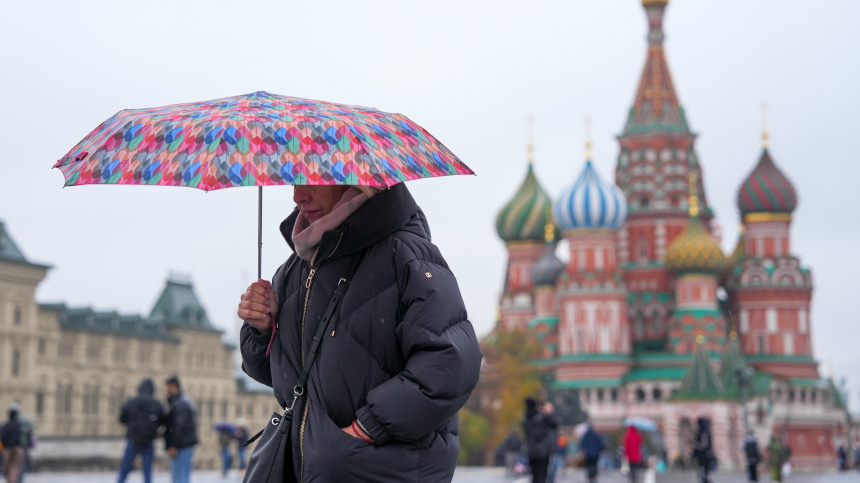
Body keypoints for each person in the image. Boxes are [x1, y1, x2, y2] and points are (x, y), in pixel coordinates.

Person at [238, 183, 482, 482]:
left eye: (314, 180)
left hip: (384, 471)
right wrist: (262, 329)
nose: (298, 195)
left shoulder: (405, 255)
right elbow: (282, 376)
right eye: (295, 181)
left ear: (355, 181)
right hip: (318, 471)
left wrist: (371, 425)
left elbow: (451, 365)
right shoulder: (295, 269)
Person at [117, 378, 165, 483]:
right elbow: (162, 421)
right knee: (147, 471)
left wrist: (132, 424)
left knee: (124, 469)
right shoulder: (156, 404)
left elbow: (122, 419)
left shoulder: (131, 402)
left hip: (133, 439)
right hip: (148, 441)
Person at [164, 376, 198, 483]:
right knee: (182, 475)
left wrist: (173, 445)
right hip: (184, 443)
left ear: (174, 386)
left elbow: (179, 426)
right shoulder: (182, 401)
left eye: (168, 387)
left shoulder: (180, 403)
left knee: (179, 476)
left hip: (182, 445)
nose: (166, 390)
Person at [521, 399, 558, 483]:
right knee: (542, 474)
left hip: (531, 451)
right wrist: (548, 412)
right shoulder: (542, 417)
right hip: (543, 451)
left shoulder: (525, 419)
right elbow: (554, 423)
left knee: (535, 475)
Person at [1, 407, 24, 483]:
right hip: (17, 448)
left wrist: (2, 449)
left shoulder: (6, 426)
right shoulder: (19, 425)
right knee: (16, 465)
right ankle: (14, 479)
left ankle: (10, 479)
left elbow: (2, 437)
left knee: (7, 465)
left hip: (7, 449)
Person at [691, 417, 714, 483]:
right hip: (703, 457)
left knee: (703, 473)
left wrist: (694, 444)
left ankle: (706, 480)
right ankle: (706, 480)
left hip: (704, 457)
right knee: (703, 473)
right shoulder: (704, 433)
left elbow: (704, 445)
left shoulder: (704, 433)